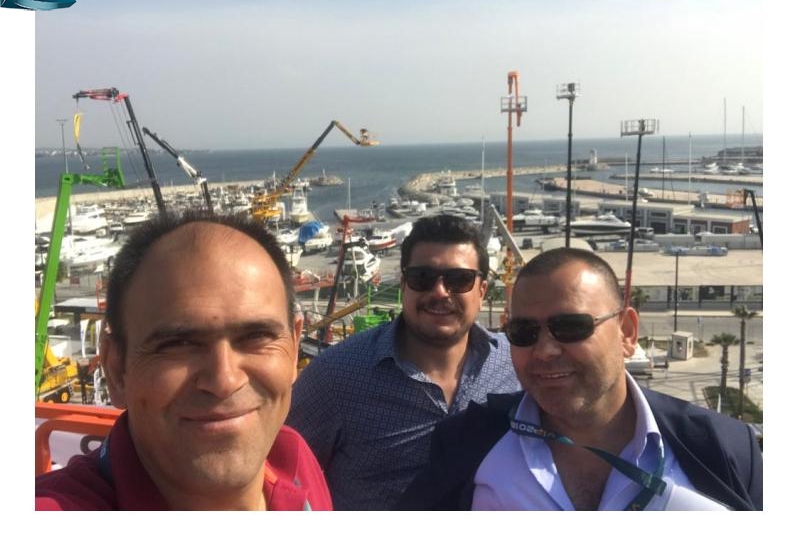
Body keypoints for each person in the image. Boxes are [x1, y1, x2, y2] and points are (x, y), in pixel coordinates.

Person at [398, 247, 762, 511]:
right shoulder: (467, 441)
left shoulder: (723, 448)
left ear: (627, 332)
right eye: (523, 332)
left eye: (571, 326)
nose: (544, 350)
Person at [36, 210, 332, 511]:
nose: (224, 381)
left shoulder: (294, 458)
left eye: (257, 336)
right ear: (116, 369)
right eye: (178, 344)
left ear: (294, 347)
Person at [286, 213, 520, 510]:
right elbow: (279, 468)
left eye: (459, 279)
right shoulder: (337, 375)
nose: (440, 291)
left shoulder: (515, 366)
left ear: (482, 290)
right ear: (403, 285)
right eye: (423, 278)